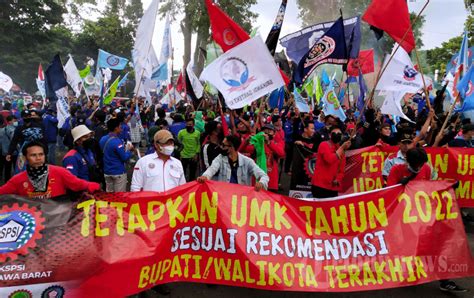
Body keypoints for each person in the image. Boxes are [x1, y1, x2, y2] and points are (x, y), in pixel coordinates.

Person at [0, 141, 100, 199]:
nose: (38, 158)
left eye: (41, 154)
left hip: (57, 222)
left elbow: (77, 184)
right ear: (25, 158)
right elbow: (3, 191)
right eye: (33, 155)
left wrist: (91, 186)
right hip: (33, 224)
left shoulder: (59, 172)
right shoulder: (17, 180)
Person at [197, 135, 269, 191]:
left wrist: (261, 183)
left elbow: (264, 176)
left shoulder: (247, 161)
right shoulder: (220, 158)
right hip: (224, 196)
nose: (221, 147)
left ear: (232, 147)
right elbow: (212, 169)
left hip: (242, 197)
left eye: (224, 145)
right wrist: (205, 176)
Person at [311, 125, 351, 198]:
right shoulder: (324, 145)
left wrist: (338, 179)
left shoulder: (341, 150)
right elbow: (329, 159)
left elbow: (341, 170)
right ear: (330, 135)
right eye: (334, 133)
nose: (336, 135)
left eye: (339, 134)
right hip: (320, 186)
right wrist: (342, 148)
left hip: (333, 187)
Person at [99, 118, 134, 192]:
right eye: (120, 127)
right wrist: (129, 151)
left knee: (110, 196)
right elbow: (124, 157)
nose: (121, 128)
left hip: (107, 171)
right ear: (116, 128)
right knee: (120, 196)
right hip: (118, 172)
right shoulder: (117, 141)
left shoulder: (102, 139)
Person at [261, 123, 285, 191]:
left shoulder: (278, 143)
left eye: (269, 131)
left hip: (271, 181)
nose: (266, 133)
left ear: (274, 134)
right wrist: (247, 141)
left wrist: (268, 143)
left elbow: (281, 154)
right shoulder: (258, 142)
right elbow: (240, 150)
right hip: (258, 181)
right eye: (265, 131)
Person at [0, 116, 17, 182]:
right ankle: (15, 181)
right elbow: (15, 141)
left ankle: (7, 181)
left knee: (7, 168)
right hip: (14, 152)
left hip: (5, 152)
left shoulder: (2, 130)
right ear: (9, 121)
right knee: (16, 167)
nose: (15, 122)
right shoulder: (13, 130)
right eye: (14, 120)